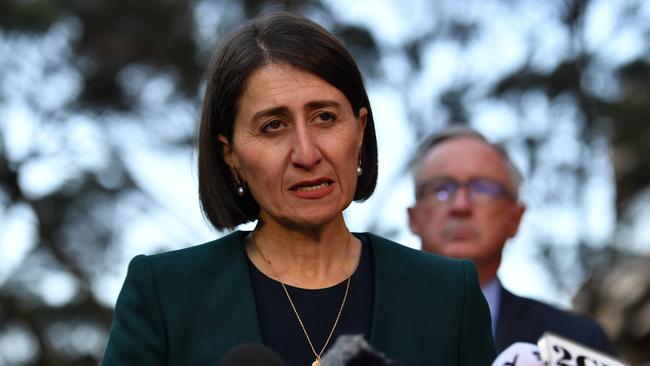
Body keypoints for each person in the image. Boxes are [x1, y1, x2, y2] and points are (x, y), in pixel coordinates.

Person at [101, 12, 495, 366]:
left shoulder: (449, 294)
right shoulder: (165, 293)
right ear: (230, 154)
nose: (306, 153)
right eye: (273, 125)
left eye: (325, 117)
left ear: (359, 131)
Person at [407, 126, 616, 355]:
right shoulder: (364, 325)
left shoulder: (578, 341)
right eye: (440, 189)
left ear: (515, 218)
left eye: (483, 189)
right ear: (413, 218)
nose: (461, 205)